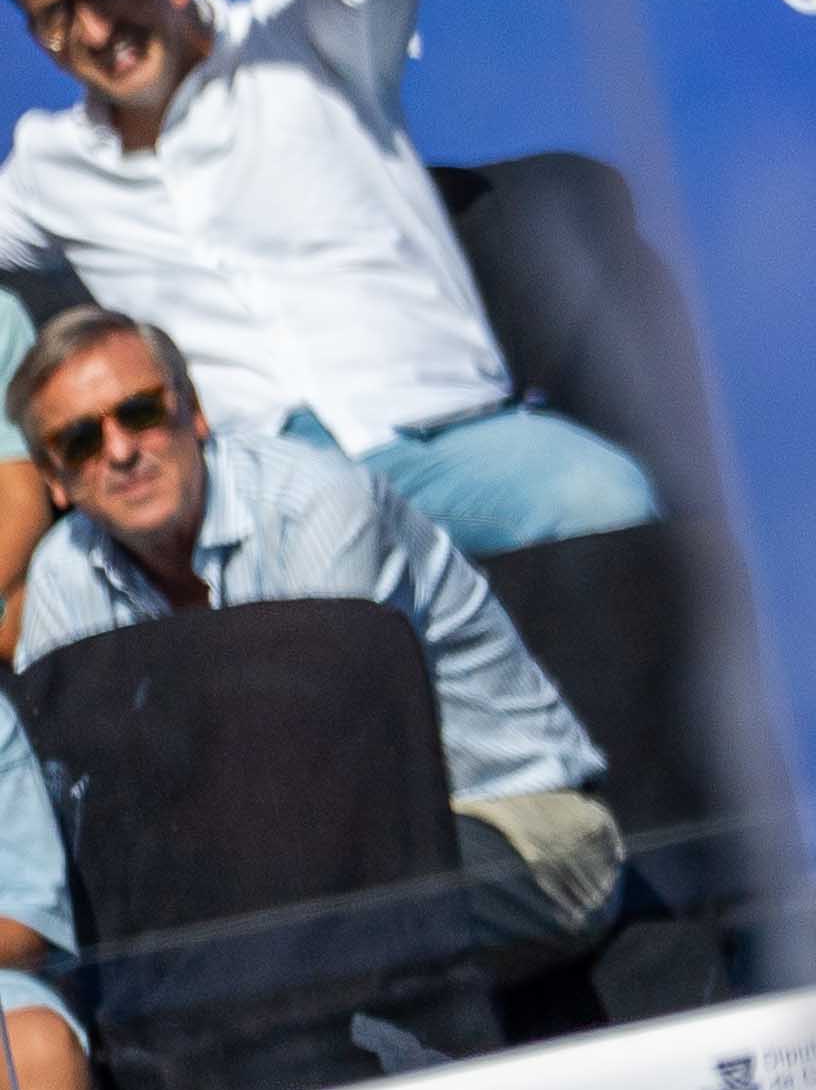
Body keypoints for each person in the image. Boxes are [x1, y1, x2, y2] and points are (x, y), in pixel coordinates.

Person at [0, 0, 656, 555]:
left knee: (605, 498)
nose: (94, 31)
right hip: (262, 503)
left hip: (440, 441)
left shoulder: (305, 39)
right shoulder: (48, 169)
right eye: (56, 16)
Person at [1, 308, 625, 996]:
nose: (120, 451)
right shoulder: (63, 575)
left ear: (195, 412)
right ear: (54, 479)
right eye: (80, 440)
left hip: (515, 827)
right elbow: (78, 794)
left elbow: (325, 765)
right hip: (285, 881)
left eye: (141, 412)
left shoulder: (318, 503)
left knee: (289, 920)